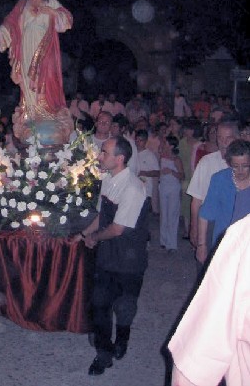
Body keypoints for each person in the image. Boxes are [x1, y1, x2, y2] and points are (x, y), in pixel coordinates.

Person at [75, 136, 149, 376]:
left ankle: (122, 338)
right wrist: (83, 234)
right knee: (100, 304)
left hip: (129, 258)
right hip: (108, 255)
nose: (99, 156)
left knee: (125, 306)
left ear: (120, 158)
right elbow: (102, 216)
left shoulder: (133, 188)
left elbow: (118, 228)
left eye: (104, 152)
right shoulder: (107, 180)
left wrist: (94, 238)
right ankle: (103, 354)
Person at [0, 0, 73, 144]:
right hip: (25, 47)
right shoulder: (22, 4)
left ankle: (47, 111)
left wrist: (51, 12)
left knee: (46, 78)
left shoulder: (49, 1)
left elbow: (66, 19)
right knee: (27, 79)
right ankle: (32, 112)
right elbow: (10, 23)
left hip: (45, 46)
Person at [168, 213, 250, 386]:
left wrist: (200, 242)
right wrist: (200, 241)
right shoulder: (244, 236)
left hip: (225, 259)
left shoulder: (244, 236)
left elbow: (197, 361)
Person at [187, 118, 239, 250]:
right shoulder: (207, 162)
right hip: (210, 222)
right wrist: (194, 227)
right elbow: (196, 199)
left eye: (228, 138)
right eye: (220, 137)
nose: (223, 143)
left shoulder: (242, 164)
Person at [196, 139, 250, 266]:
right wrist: (202, 244)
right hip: (225, 244)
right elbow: (205, 214)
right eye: (235, 166)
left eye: (245, 166)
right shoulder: (219, 179)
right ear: (229, 163)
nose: (240, 171)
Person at [158, 135, 184, 252]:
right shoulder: (162, 156)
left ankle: (171, 243)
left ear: (171, 146)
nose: (164, 145)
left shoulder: (176, 159)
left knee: (172, 215)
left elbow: (182, 176)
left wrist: (172, 171)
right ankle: (163, 240)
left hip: (173, 188)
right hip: (163, 187)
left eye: (166, 143)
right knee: (164, 214)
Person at [134, 129, 160, 211]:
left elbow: (157, 172)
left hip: (145, 191)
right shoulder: (133, 153)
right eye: (136, 140)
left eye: (140, 140)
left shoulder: (150, 155)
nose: (138, 142)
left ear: (145, 141)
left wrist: (143, 173)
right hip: (133, 190)